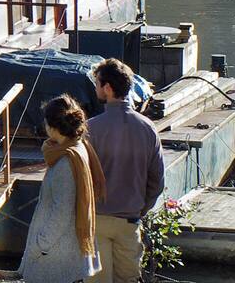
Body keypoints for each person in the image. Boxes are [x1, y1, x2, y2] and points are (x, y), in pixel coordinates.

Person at [87, 58, 166, 282]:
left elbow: (80, 178)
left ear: (108, 88)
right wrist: (141, 208)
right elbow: (157, 181)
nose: (95, 88)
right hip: (129, 221)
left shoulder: (92, 129)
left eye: (97, 83)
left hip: (98, 220)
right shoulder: (148, 128)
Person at [21, 95, 105, 282]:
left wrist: (39, 245)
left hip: (57, 259)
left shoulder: (66, 161)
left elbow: (62, 212)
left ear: (52, 126)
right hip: (65, 254)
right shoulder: (77, 147)